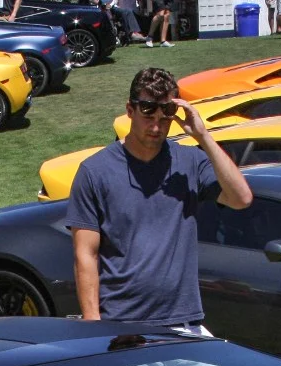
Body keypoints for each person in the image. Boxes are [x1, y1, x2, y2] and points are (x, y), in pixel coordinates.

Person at [66, 67, 252, 336]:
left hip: (184, 323)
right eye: (147, 113)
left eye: (165, 116)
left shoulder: (190, 162)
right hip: (123, 327)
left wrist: (203, 136)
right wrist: (95, 325)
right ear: (130, 111)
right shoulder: (95, 172)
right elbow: (85, 255)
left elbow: (241, 198)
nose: (156, 125)